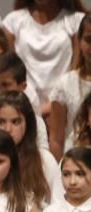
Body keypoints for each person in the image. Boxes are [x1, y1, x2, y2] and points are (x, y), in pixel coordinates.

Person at [2, 0, 86, 110]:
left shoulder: (76, 20)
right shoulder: (12, 21)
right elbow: (9, 70)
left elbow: (77, 68)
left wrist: (53, 105)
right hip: (23, 106)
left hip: (64, 104)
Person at [0, 91, 64, 207]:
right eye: (1, 122)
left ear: (28, 124)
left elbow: (58, 209)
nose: (8, 129)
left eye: (15, 122)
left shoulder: (44, 160)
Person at [49, 14, 91, 159]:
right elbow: (56, 139)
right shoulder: (65, 84)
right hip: (74, 162)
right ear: (79, 41)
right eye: (89, 40)